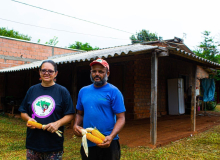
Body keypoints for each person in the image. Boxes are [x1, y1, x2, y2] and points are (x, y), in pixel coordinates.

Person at [19, 60, 75, 160]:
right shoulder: (32, 90)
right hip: (33, 143)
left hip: (53, 144)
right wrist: (28, 119)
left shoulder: (62, 91)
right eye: (44, 70)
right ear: (40, 72)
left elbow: (70, 114)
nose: (46, 73)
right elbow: (23, 112)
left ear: (56, 73)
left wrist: (57, 123)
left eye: (50, 71)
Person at [73, 58, 126, 160]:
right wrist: (76, 125)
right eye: (94, 71)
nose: (97, 74)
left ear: (108, 73)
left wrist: (111, 136)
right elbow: (80, 113)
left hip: (108, 141)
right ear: (91, 72)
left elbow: (121, 118)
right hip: (89, 141)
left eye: (101, 71)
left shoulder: (114, 91)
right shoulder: (83, 91)